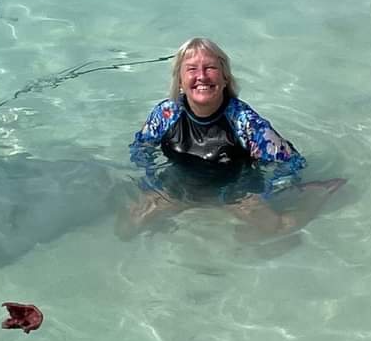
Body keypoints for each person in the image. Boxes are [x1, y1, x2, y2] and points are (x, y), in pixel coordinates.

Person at [121, 37, 335, 236]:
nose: (202, 76)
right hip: (181, 188)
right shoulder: (166, 114)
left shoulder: (245, 122)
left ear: (225, 78)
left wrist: (261, 194)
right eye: (191, 69)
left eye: (210, 68)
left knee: (275, 230)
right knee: (128, 228)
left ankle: (313, 197)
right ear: (180, 81)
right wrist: (151, 184)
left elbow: (292, 163)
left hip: (234, 193)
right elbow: (141, 149)